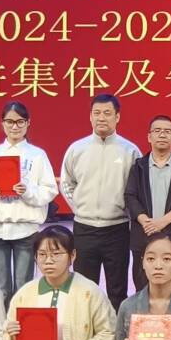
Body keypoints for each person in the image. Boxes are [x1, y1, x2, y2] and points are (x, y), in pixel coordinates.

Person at [0, 101, 59, 305]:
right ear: (2, 123)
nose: (14, 126)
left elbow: (50, 189)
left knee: (23, 286)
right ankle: (2, 324)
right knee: (0, 288)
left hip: (26, 229)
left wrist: (28, 192)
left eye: (20, 121)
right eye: (9, 121)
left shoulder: (37, 155)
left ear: (28, 123)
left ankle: (22, 324)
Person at [59, 93, 141, 310]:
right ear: (90, 117)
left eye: (107, 113)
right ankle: (85, 329)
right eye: (96, 113)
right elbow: (66, 183)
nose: (101, 118)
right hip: (84, 228)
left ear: (117, 117)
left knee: (117, 289)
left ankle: (116, 330)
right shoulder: (77, 149)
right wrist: (80, 208)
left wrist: (125, 211)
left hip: (117, 229)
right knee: (84, 289)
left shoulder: (130, 151)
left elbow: (137, 190)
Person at [123, 114, 171, 293]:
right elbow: (130, 196)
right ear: (149, 137)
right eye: (157, 131)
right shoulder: (138, 166)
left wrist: (164, 220)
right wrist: (145, 221)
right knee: (142, 286)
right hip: (144, 233)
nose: (162, 135)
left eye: (167, 131)